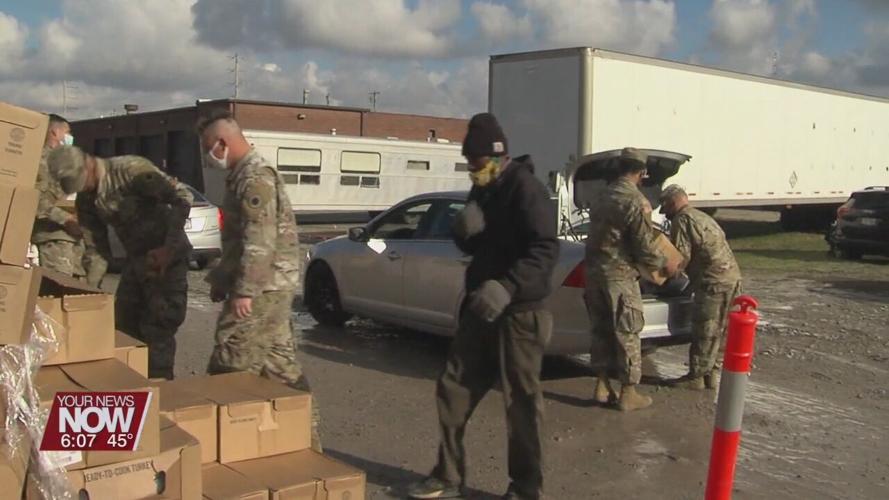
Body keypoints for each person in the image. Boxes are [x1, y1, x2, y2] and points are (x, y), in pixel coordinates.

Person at [408, 113, 559, 500]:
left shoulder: (526, 190)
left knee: (521, 403)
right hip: (482, 308)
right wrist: (465, 237)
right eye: (469, 165)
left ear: (497, 157)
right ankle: (447, 474)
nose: (472, 172)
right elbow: (482, 246)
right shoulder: (483, 188)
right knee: (453, 386)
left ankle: (526, 488)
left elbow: (545, 249)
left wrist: (508, 286)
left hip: (521, 313)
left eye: (476, 165)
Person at [196, 110, 321, 452]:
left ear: (222, 143)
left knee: (229, 358)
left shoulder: (255, 178)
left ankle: (214, 445)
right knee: (280, 366)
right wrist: (221, 278)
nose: (208, 157)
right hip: (267, 285)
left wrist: (244, 291)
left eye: (208, 147)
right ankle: (308, 444)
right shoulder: (240, 175)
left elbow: (259, 239)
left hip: (264, 287)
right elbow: (236, 242)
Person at [47, 145, 192, 380]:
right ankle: (130, 386)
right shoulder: (87, 199)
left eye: (81, 182)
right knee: (123, 326)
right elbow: (96, 249)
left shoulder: (130, 170)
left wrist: (169, 248)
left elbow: (182, 198)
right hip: (136, 262)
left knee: (158, 327)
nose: (83, 189)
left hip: (166, 260)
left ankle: (161, 392)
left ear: (89, 164)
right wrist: (89, 294)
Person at [584, 148, 679, 411]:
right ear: (641, 172)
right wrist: (666, 264)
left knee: (600, 331)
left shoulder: (601, 195)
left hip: (593, 274)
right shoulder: (636, 201)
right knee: (627, 331)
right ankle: (628, 392)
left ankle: (602, 386)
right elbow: (643, 246)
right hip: (620, 276)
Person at [659, 184, 742, 390]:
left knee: (705, 328)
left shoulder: (683, 220)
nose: (665, 214)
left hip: (712, 282)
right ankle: (711, 375)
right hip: (731, 278)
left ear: (672, 203)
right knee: (720, 330)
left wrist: (661, 277)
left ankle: (696, 377)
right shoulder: (702, 217)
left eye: (665, 208)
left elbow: (680, 258)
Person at [31, 114, 85, 277]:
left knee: (75, 293)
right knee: (57, 288)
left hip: (71, 237)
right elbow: (35, 200)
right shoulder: (40, 162)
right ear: (54, 132)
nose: (69, 138)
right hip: (53, 238)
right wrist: (66, 220)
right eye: (66, 133)